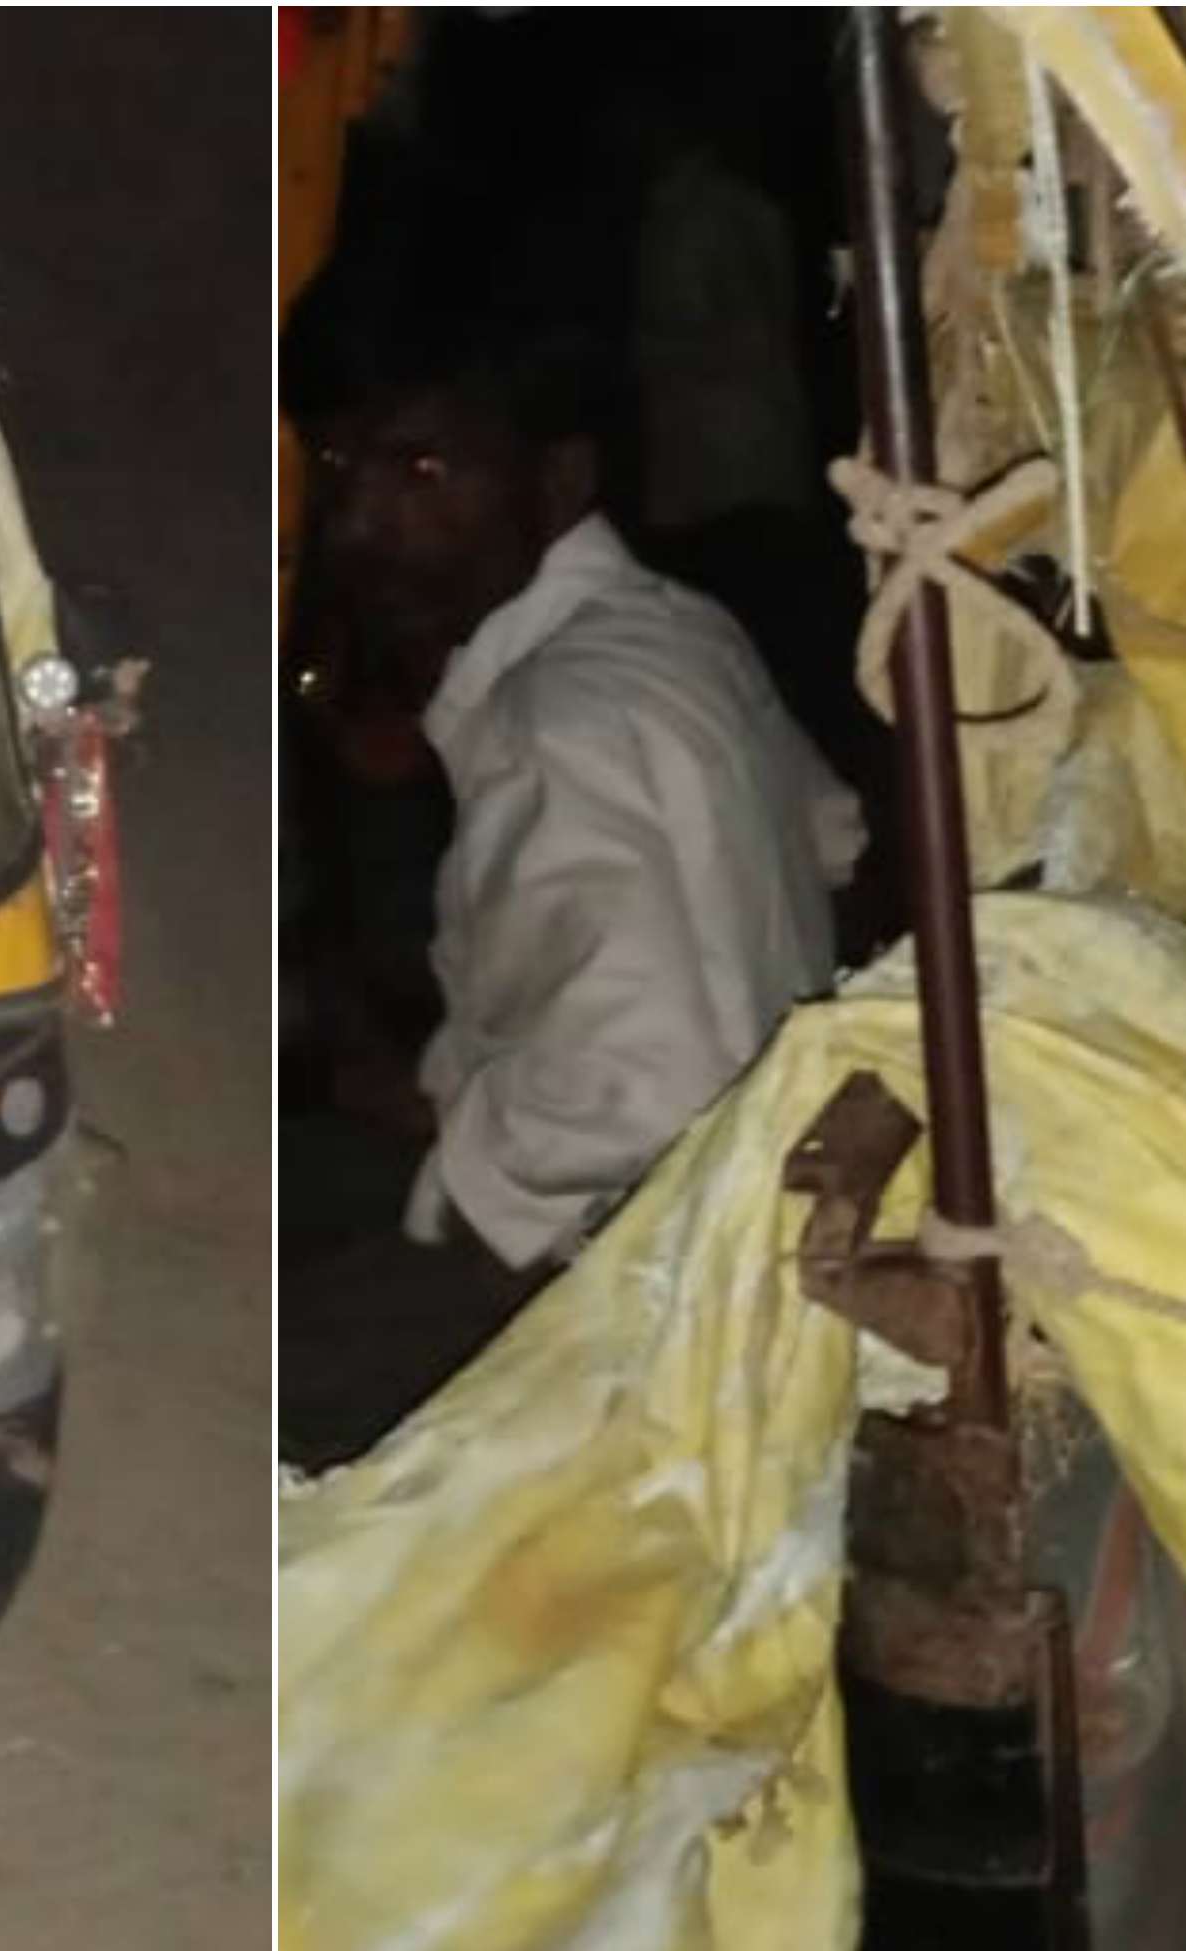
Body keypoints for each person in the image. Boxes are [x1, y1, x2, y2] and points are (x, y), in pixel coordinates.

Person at [293, 284, 865, 1289]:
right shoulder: (676, 625)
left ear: (557, 480)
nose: (356, 527)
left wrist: (443, 1142)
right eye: (337, 471)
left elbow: (644, 1088)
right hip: (744, 1181)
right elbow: (833, 835)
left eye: (421, 471)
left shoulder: (559, 716)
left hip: (651, 1257)